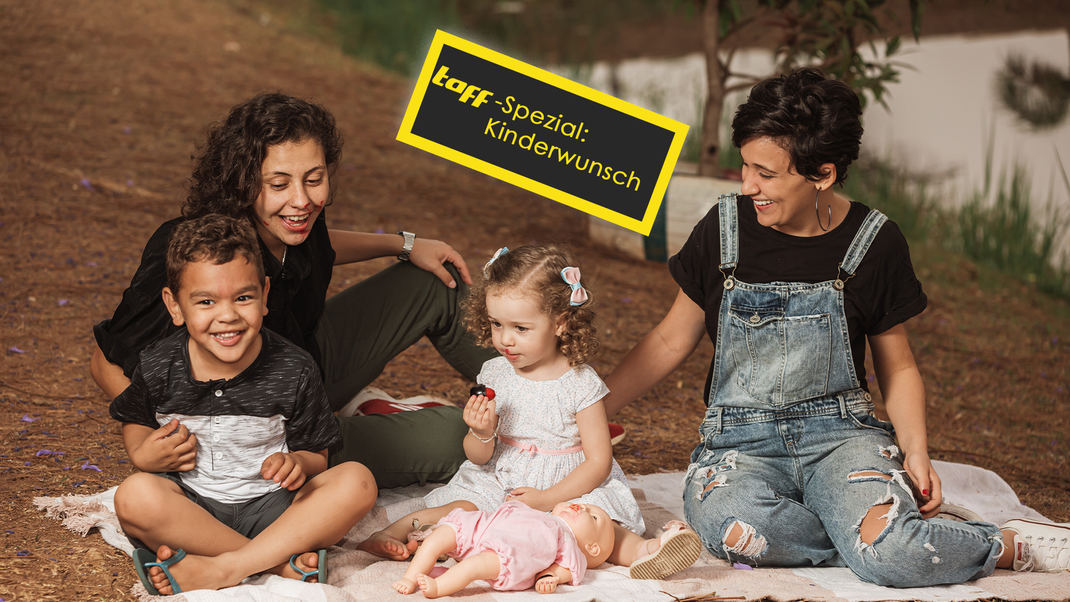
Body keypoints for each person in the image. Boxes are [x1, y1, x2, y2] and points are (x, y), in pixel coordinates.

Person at [597, 66, 1070, 586]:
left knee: (893, 559)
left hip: (842, 440)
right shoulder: (723, 227)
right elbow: (669, 339)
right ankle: (876, 534)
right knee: (732, 530)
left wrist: (915, 451)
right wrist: (590, 414)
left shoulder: (875, 241)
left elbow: (900, 365)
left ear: (822, 174)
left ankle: (1001, 544)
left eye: (766, 174)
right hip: (740, 447)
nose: (748, 185)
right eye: (745, 167)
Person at [90, 92, 498, 489]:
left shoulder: (294, 225)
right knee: (463, 436)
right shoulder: (192, 255)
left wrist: (403, 245)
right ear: (243, 182)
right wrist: (159, 438)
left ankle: (547, 392)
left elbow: (320, 245)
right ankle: (528, 434)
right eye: (279, 184)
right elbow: (103, 362)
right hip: (269, 434)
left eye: (314, 179)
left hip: (306, 364)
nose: (301, 201)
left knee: (433, 278)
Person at [359, 245, 700, 579]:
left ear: (560, 323)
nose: (505, 340)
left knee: (596, 525)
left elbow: (599, 462)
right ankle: (392, 532)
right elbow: (478, 457)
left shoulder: (581, 382)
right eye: (496, 324)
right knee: (460, 507)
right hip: (504, 476)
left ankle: (645, 552)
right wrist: (480, 432)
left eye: (520, 328)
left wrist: (549, 498)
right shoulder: (493, 373)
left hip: (568, 485)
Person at [109, 215, 376, 595]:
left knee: (357, 481)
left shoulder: (294, 367)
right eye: (205, 301)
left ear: (265, 295)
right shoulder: (157, 364)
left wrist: (298, 463)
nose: (228, 315)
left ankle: (224, 568)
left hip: (276, 509)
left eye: (243, 297)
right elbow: (134, 419)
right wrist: (142, 453)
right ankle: (277, 563)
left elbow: (317, 453)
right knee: (134, 496)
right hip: (193, 509)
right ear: (175, 305)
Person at [392, 501, 615, 598]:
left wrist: (551, 578)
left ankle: (439, 587)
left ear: (592, 548)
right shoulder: (543, 515)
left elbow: (565, 567)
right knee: (438, 538)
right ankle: (411, 578)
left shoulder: (568, 541)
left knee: (474, 566)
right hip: (483, 528)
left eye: (593, 516)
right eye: (586, 504)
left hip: (509, 555)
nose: (583, 507)